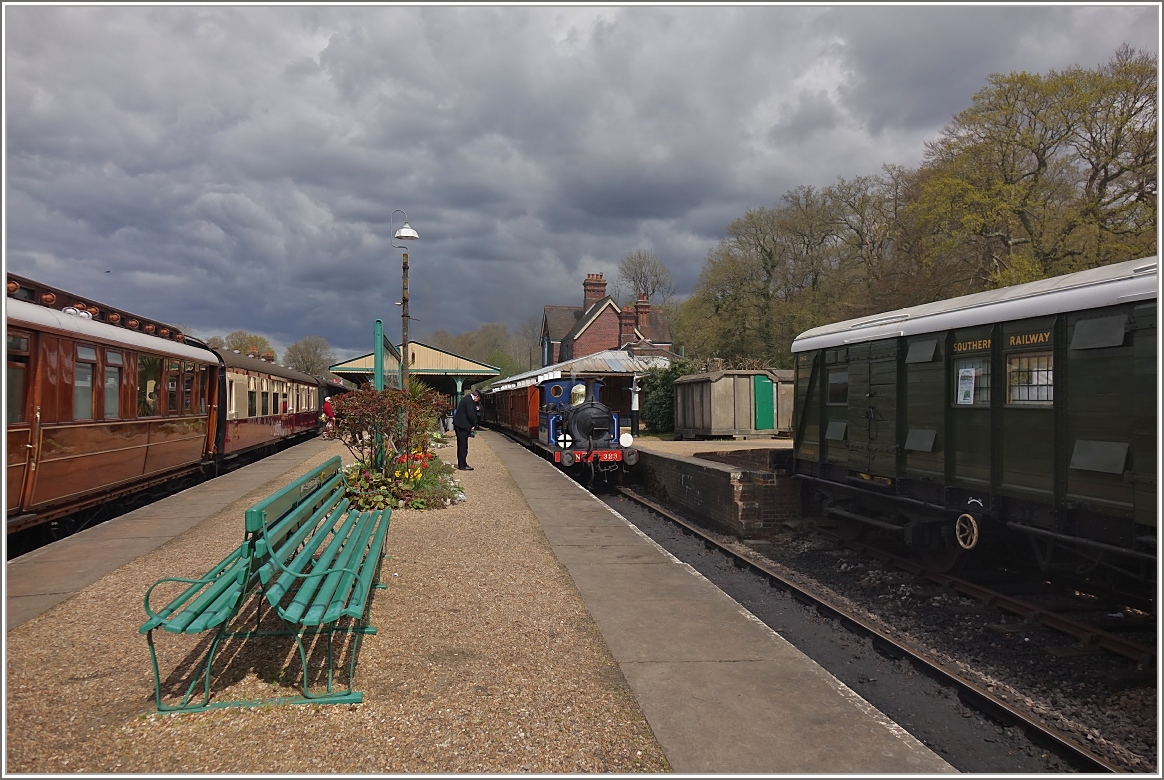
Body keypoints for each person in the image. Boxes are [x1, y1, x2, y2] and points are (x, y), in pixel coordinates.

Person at [452, 389, 481, 471]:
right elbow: (471, 414)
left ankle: (462, 463)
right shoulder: (469, 401)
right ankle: (462, 465)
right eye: (478, 399)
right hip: (462, 426)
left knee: (461, 445)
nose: (477, 401)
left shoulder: (465, 399)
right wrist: (474, 424)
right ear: (476, 396)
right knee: (463, 446)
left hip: (459, 425)